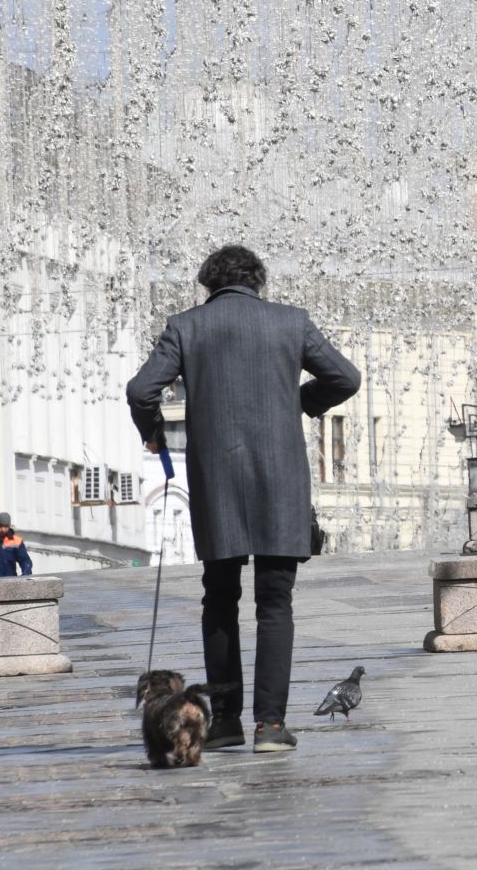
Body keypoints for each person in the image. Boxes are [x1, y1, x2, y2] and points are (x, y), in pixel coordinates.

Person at [126, 245, 359, 755]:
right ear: (259, 281)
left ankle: (226, 720)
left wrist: (154, 434)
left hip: (216, 482)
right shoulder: (291, 322)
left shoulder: (186, 326)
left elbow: (143, 389)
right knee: (275, 604)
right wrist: (299, 402)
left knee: (220, 600)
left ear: (208, 283)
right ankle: (270, 727)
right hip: (280, 483)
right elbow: (346, 377)